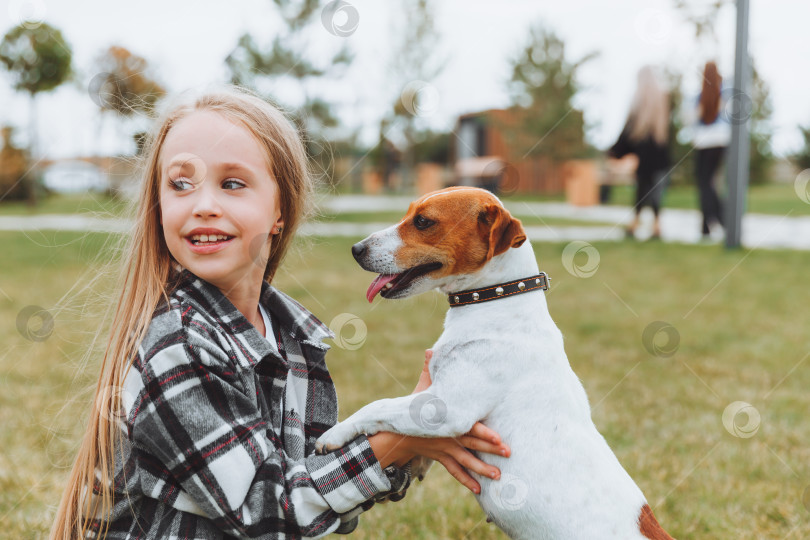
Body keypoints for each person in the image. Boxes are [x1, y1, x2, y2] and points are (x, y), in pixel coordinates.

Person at [51, 87, 510, 539]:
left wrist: (410, 434)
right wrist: (400, 439)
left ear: (280, 212)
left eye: (232, 184)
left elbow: (318, 495)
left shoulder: (291, 336)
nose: (204, 205)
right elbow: (266, 515)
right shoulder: (178, 346)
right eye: (180, 184)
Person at [609, 66, 671, 240]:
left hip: (644, 154)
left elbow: (629, 129)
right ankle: (656, 225)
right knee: (655, 190)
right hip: (659, 152)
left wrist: (615, 150)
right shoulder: (662, 98)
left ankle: (635, 223)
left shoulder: (638, 100)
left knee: (642, 189)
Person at [692, 61, 729, 240]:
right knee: (709, 183)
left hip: (704, 143)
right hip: (720, 142)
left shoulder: (701, 95)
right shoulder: (723, 93)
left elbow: (693, 117)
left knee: (704, 183)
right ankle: (713, 222)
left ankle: (712, 222)